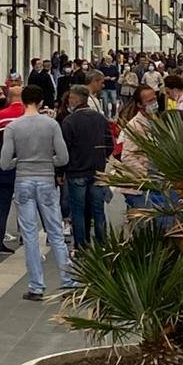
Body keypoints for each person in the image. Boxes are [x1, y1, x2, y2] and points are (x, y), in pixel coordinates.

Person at [0, 84, 73, 301]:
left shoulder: (13, 127)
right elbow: (64, 158)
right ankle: (67, 280)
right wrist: (47, 161)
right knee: (55, 231)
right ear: (41, 102)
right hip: (46, 179)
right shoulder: (51, 125)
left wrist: (19, 161)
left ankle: (36, 285)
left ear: (22, 101)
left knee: (30, 234)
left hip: (23, 179)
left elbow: (4, 163)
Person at [61, 84, 114, 248]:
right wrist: (101, 158)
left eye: (71, 98)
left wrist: (60, 171)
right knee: (98, 209)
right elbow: (109, 144)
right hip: (96, 170)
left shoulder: (69, 121)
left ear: (76, 99)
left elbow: (65, 148)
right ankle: (102, 243)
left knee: (77, 210)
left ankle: (81, 244)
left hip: (76, 171)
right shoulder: (100, 119)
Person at [0, 82, 24, 262]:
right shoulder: (30, 116)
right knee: (26, 207)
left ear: (9, 98)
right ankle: (27, 241)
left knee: (2, 208)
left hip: (4, 167)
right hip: (26, 168)